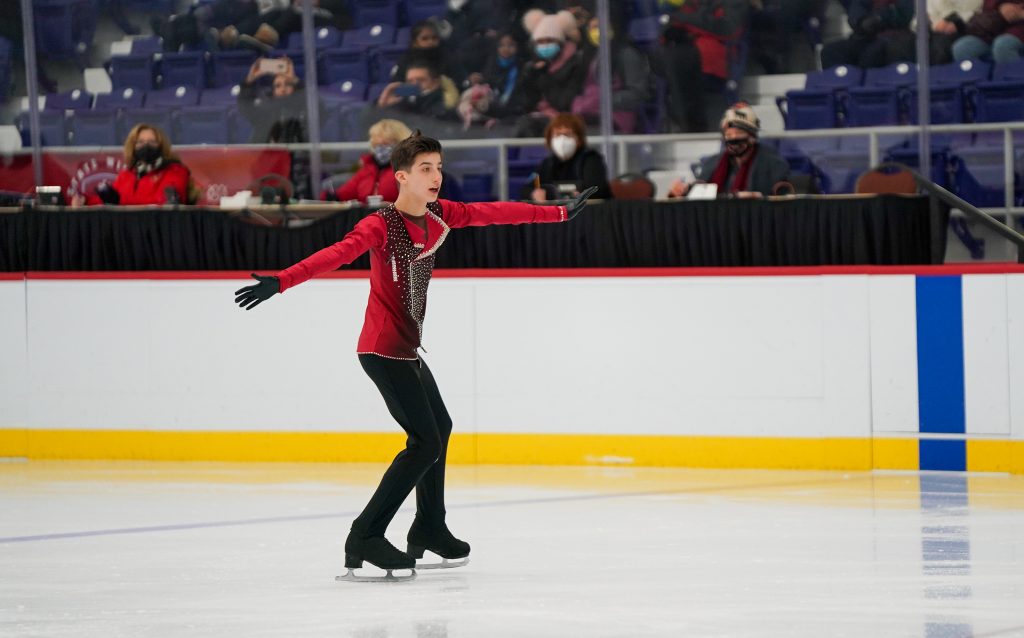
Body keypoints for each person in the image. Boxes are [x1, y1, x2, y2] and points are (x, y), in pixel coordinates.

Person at [233, 132, 597, 579]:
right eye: (426, 168)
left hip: (406, 350)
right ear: (401, 176)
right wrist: (283, 280)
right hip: (382, 350)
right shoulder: (381, 224)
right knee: (424, 441)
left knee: (439, 428)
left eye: (439, 167)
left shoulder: (441, 217)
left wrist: (557, 212)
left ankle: (428, 527)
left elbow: (494, 212)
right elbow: (338, 253)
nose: (436, 176)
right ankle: (365, 534)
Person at [668, 103, 790, 199]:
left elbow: (781, 198)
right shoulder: (713, 162)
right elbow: (702, 191)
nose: (733, 139)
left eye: (739, 133)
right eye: (728, 135)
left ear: (752, 137)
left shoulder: (774, 164)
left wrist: (756, 197)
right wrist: (685, 190)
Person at [73, 124, 192, 206]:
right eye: (140, 142)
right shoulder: (127, 174)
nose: (146, 146)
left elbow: (163, 202)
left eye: (152, 142)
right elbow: (107, 201)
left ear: (161, 146)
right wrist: (85, 200)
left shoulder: (175, 171)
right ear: (133, 147)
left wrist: (119, 202)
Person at [516, 9, 589, 136]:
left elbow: (564, 103)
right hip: (539, 118)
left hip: (566, 119)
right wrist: (530, 77)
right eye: (540, 42)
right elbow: (526, 103)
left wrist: (545, 78)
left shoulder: (576, 63)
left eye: (549, 41)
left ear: (560, 42)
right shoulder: (532, 67)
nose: (545, 46)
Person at [527, 113, 612, 201]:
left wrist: (580, 194)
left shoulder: (591, 159)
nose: (562, 139)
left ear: (578, 139)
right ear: (550, 139)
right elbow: (527, 188)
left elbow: (597, 189)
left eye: (567, 134)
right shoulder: (548, 163)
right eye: (557, 134)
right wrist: (534, 194)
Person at [325, 119, 411, 204]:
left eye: (386, 144)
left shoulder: (409, 170)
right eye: (377, 145)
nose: (381, 149)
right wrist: (328, 196)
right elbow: (343, 195)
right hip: (368, 216)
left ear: (401, 144)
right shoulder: (368, 168)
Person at [819, 0, 916, 69]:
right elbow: (855, 14)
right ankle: (836, 91)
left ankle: (870, 91)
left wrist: (879, 18)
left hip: (896, 36)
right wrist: (861, 22)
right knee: (831, 51)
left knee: (875, 51)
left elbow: (905, 13)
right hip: (866, 36)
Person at [377, 61, 457, 120]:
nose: (415, 84)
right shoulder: (403, 101)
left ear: (435, 83)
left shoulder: (444, 103)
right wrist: (384, 104)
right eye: (410, 81)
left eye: (421, 80)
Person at [951, 0, 1024, 63]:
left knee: (1003, 45)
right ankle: (975, 78)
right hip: (993, 30)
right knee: (962, 48)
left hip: (1019, 30)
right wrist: (1000, 12)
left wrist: (1020, 14)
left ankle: (1013, 77)